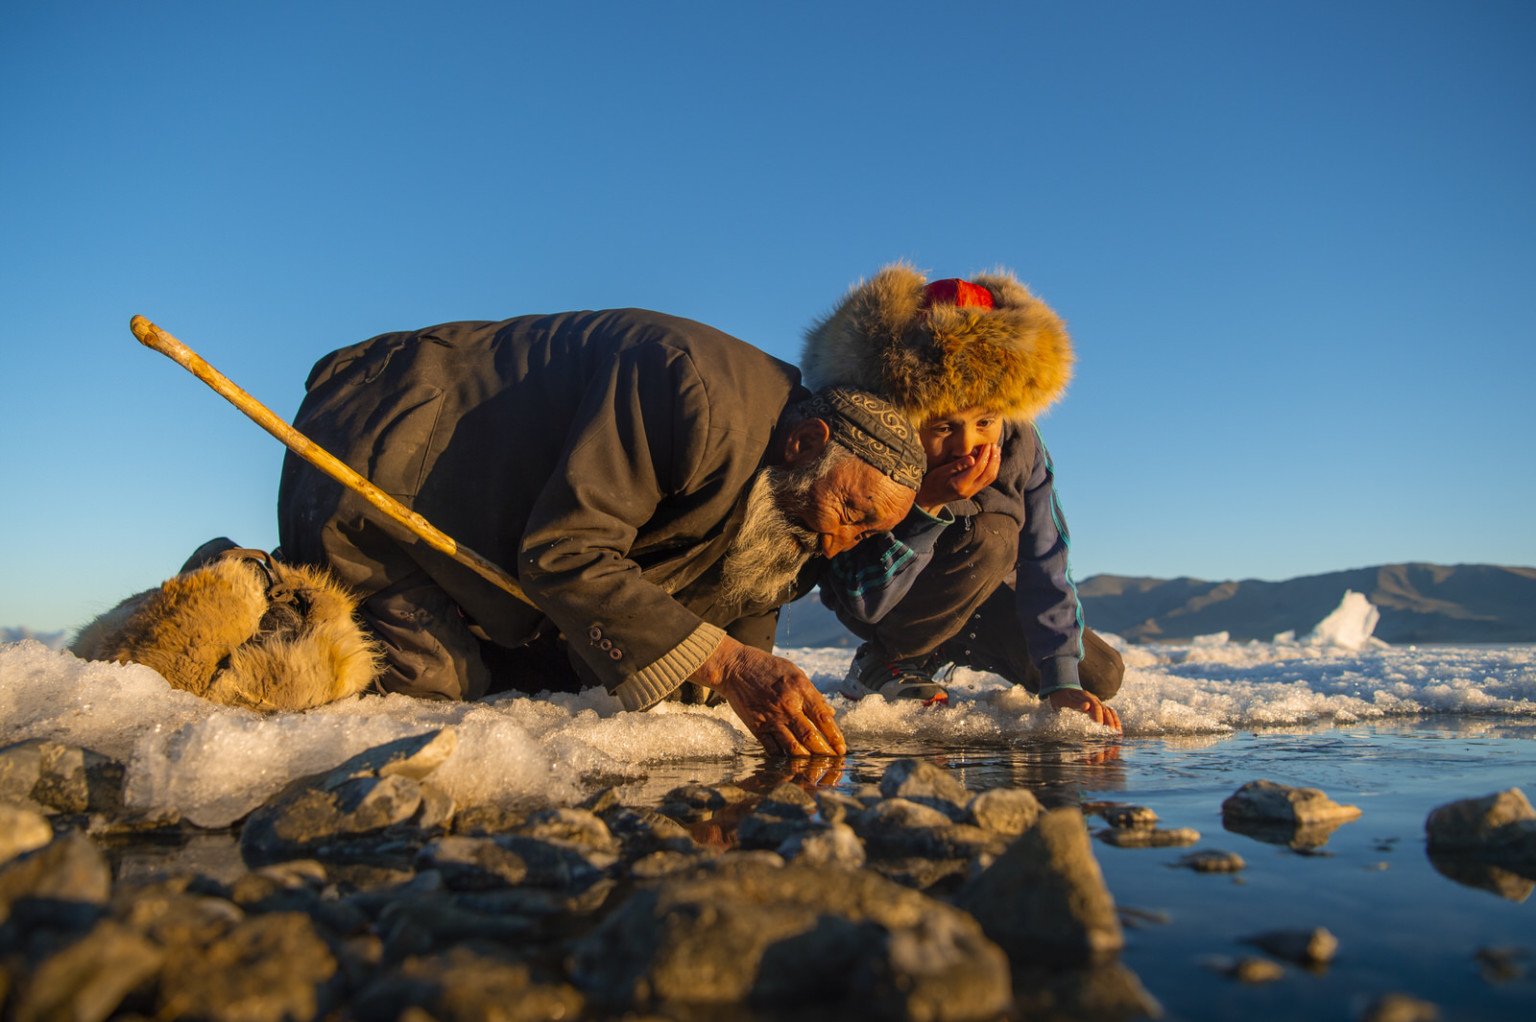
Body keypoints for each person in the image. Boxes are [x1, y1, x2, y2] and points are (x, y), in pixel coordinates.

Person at [276, 307, 929, 756]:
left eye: (870, 532)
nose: (848, 542)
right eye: (854, 514)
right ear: (804, 442)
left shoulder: (800, 501)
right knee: (436, 695)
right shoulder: (688, 392)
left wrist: (741, 702)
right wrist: (730, 666)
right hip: (380, 458)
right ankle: (255, 589)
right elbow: (567, 553)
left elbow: (747, 601)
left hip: (493, 525)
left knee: (572, 687)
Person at [801, 265, 1124, 731]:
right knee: (989, 535)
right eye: (945, 426)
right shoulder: (873, 445)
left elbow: (1045, 559)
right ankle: (888, 660)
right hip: (884, 600)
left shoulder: (1021, 447)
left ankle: (942, 650)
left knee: (1099, 674)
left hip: (976, 595)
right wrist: (927, 506)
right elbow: (860, 598)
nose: (966, 445)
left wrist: (1061, 682)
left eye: (985, 421)